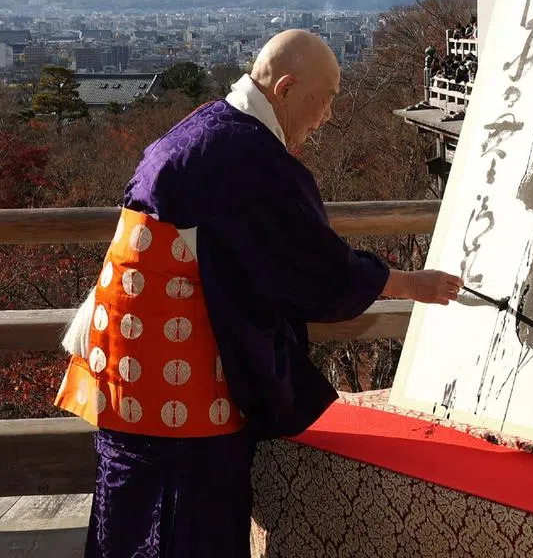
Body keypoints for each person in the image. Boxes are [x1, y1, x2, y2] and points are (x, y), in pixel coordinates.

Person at [52, 29, 463, 558]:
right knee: (187, 528)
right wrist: (412, 284)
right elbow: (317, 271)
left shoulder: (200, 129)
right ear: (286, 88)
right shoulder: (247, 157)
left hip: (125, 368)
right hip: (181, 386)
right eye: (327, 97)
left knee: (129, 516)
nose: (329, 114)